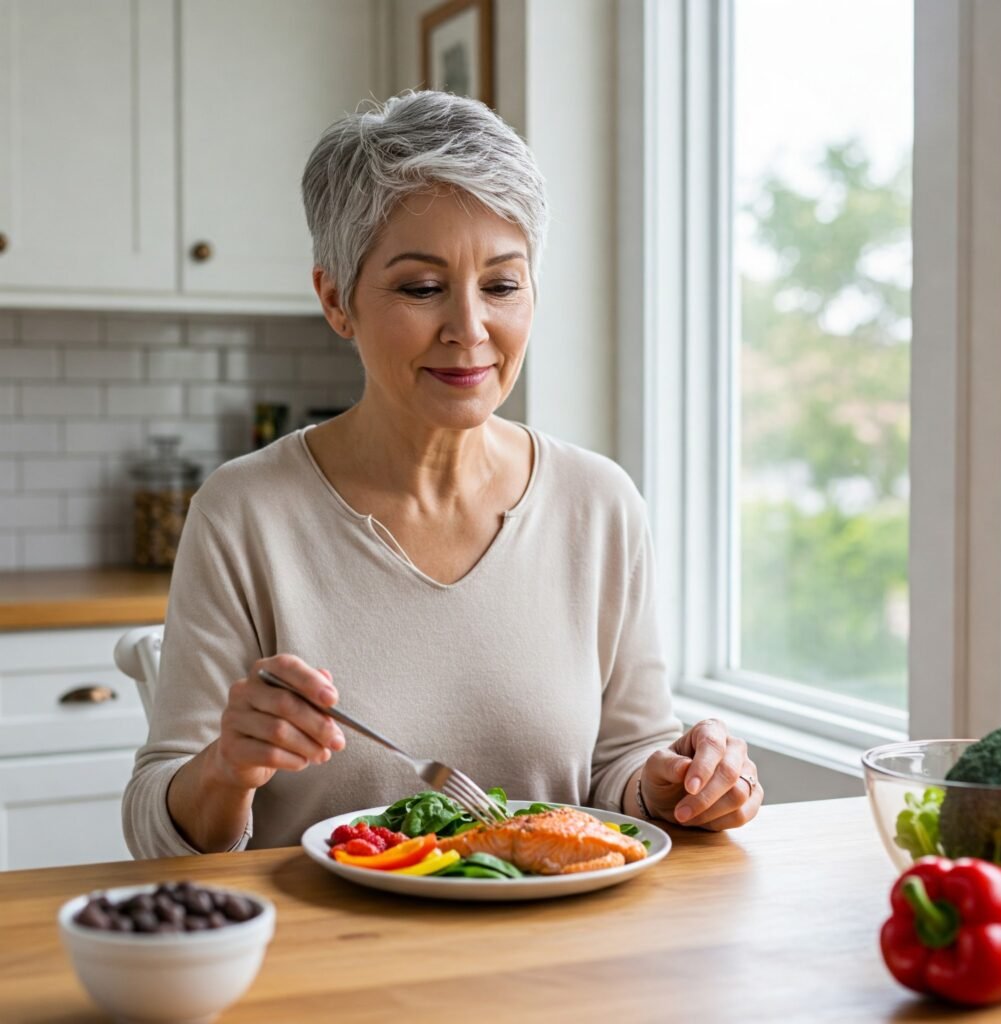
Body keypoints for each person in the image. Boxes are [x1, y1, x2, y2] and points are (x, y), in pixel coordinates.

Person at [122, 91, 762, 858]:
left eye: (501, 285)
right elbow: (156, 830)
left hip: (553, 956)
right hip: (324, 955)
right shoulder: (244, 512)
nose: (469, 329)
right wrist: (228, 767)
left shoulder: (599, 504)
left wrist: (675, 784)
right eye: (422, 288)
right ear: (336, 299)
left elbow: (621, 765)